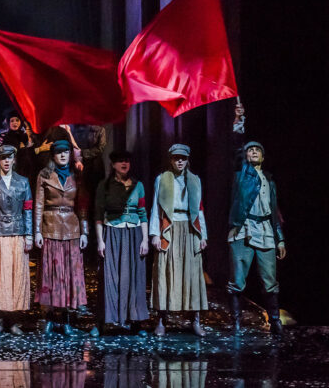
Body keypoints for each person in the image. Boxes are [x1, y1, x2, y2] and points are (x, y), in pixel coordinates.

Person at [228, 104, 286, 335]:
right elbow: (236, 145)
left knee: (270, 279)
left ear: (263, 156)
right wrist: (238, 120)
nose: (252, 152)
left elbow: (274, 212)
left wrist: (280, 239)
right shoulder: (241, 173)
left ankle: (275, 321)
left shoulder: (269, 180)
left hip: (266, 230)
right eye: (249, 150)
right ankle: (236, 322)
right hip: (243, 228)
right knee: (237, 280)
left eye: (256, 150)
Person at [149, 144, 208, 337]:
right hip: (169, 228)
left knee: (192, 274)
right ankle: (161, 320)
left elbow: (199, 209)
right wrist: (155, 234)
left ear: (188, 159)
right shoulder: (162, 179)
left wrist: (203, 235)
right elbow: (156, 207)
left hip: (190, 229)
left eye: (183, 158)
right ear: (171, 159)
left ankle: (195, 320)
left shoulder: (195, 180)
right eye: (176, 158)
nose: (180, 161)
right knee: (164, 272)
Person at [34, 140, 88, 336]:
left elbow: (82, 205)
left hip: (72, 228)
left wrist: (84, 231)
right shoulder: (44, 175)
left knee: (68, 276)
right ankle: (49, 318)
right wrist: (37, 231)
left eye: (66, 152)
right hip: (51, 227)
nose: (63, 155)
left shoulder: (77, 175)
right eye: (59, 152)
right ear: (53, 155)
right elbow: (38, 204)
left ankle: (65, 319)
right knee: (51, 275)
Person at [91, 150, 148, 336]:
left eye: (127, 161)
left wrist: (145, 239)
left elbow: (142, 213)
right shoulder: (105, 185)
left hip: (134, 233)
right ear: (113, 164)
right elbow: (98, 214)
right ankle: (102, 322)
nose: (124, 164)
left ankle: (136, 322)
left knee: (134, 278)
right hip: (112, 232)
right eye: (120, 161)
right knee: (109, 278)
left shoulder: (138, 185)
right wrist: (100, 241)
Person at [0, 145, 33, 335]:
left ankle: (12, 321)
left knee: (15, 277)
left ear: (14, 159)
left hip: (17, 233)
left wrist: (29, 234)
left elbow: (28, 209)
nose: (6, 161)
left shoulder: (23, 182)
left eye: (9, 157)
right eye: (3, 158)